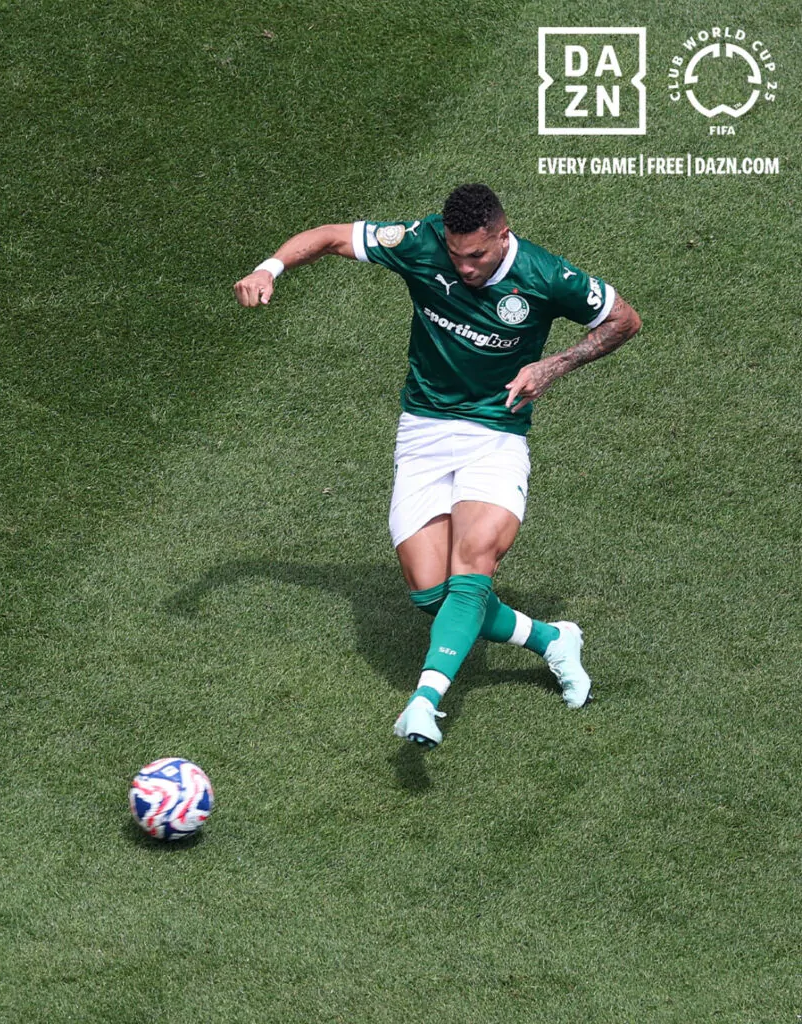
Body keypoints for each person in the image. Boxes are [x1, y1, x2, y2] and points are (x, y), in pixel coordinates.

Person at [234, 183, 641, 750]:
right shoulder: (419, 242)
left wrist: (551, 367)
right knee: (432, 594)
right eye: (455, 255)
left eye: (476, 255)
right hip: (422, 433)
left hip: (495, 436)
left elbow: (624, 320)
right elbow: (329, 237)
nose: (464, 267)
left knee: (472, 566)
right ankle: (552, 639)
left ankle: (424, 702)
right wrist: (269, 268)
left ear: (503, 235)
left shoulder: (547, 276)